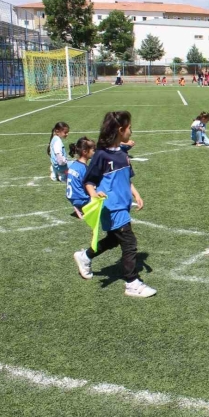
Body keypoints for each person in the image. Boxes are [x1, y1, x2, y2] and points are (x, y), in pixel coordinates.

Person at [74, 110, 156, 298]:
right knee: (129, 242)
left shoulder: (122, 153)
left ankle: (85, 256)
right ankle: (132, 283)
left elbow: (127, 177)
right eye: (130, 128)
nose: (131, 131)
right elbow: (89, 181)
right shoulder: (101, 155)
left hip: (123, 204)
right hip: (112, 207)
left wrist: (136, 194)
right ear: (120, 130)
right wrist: (94, 195)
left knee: (113, 240)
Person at [66, 137, 96, 219]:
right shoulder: (84, 168)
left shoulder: (74, 164)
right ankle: (82, 207)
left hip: (72, 197)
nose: (94, 152)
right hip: (81, 199)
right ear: (85, 152)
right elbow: (88, 187)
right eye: (93, 150)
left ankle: (78, 206)